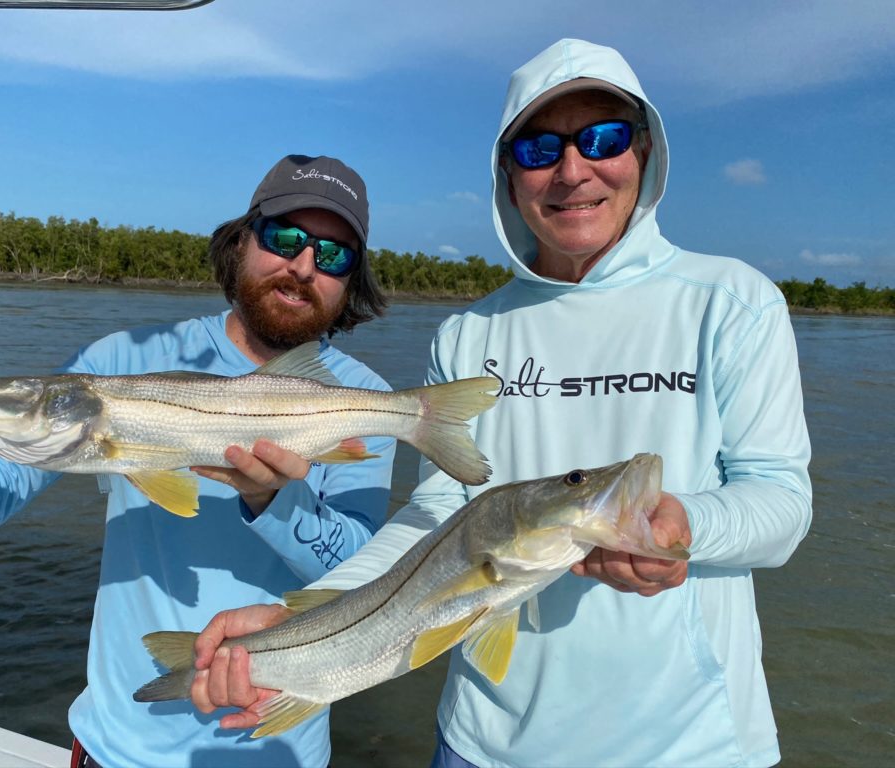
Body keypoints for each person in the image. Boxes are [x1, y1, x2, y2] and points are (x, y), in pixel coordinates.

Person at [188, 39, 813, 768]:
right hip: (482, 742)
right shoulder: (467, 334)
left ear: (643, 152)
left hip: (695, 745)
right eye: (539, 148)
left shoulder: (732, 302)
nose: (572, 170)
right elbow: (436, 518)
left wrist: (689, 525)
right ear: (508, 175)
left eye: (604, 138)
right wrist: (313, 617)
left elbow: (782, 504)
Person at [0, 154, 396, 768]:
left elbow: (365, 579)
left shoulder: (368, 402)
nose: (303, 266)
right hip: (115, 746)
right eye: (284, 238)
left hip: (279, 748)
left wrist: (275, 500)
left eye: (333, 255)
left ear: (352, 279)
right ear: (241, 241)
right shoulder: (117, 363)